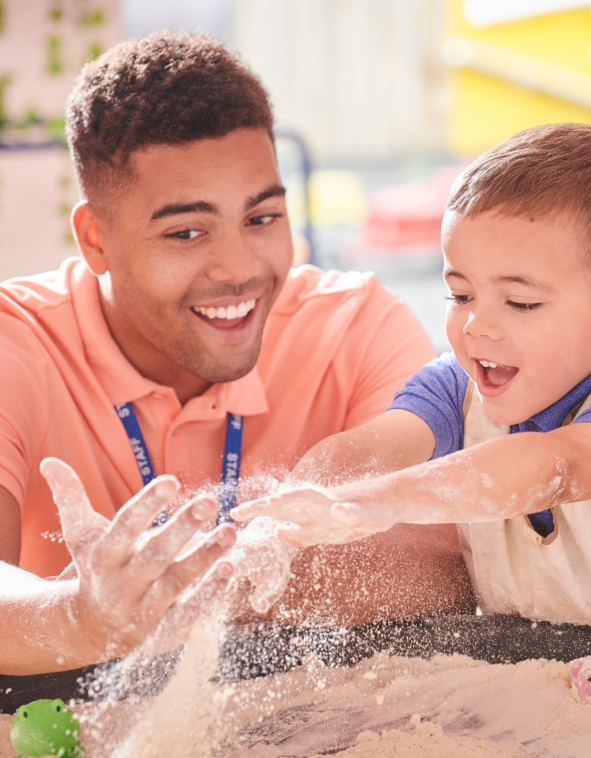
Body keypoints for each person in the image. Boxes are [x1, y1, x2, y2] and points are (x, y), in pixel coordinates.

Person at [0, 32, 473, 676]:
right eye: (187, 232)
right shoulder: (15, 341)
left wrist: (204, 586)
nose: (240, 270)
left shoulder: (355, 323)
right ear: (96, 239)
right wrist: (82, 619)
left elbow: (454, 561)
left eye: (261, 219)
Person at [235, 124, 591, 641]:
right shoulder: (457, 386)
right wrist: (295, 509)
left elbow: (558, 467)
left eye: (521, 303)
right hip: (552, 671)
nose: (477, 326)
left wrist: (388, 500)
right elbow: (375, 447)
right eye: (461, 294)